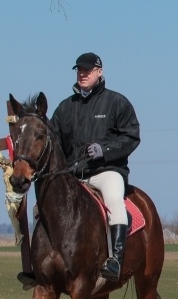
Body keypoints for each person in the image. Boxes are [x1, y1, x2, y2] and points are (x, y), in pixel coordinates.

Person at [51, 52, 140, 281]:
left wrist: (105, 150)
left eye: (87, 70)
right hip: (74, 175)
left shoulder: (117, 102)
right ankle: (39, 264)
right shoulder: (64, 108)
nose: (82, 74)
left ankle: (116, 260)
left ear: (99, 72)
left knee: (113, 200)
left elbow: (132, 136)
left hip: (107, 171)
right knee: (43, 206)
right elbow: (54, 143)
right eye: (79, 70)